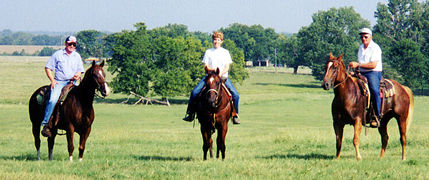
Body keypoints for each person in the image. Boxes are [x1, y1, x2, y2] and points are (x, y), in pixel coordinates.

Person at [183, 31, 240, 124]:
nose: (216, 41)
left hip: (222, 78)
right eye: (214, 40)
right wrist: (212, 70)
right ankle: (191, 113)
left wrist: (220, 73)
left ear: (221, 41)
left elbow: (227, 67)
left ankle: (235, 114)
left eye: (218, 40)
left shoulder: (225, 52)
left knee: (235, 95)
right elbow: (205, 66)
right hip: (210, 77)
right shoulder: (208, 52)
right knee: (194, 92)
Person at [41, 36, 84, 137]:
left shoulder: (77, 56)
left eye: (74, 44)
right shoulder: (58, 55)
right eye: (70, 44)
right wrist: (52, 80)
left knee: (83, 100)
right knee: (52, 100)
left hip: (73, 83)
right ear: (65, 44)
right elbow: (48, 68)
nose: (72, 46)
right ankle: (46, 123)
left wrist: (78, 75)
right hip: (60, 82)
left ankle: (82, 122)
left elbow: (80, 70)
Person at [349, 28, 382, 128]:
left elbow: (373, 64)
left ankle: (377, 115)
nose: (363, 39)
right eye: (362, 37)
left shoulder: (375, 48)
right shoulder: (361, 48)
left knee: (374, 90)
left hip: (373, 72)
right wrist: (355, 70)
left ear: (371, 37)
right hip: (361, 72)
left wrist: (358, 65)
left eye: (366, 37)